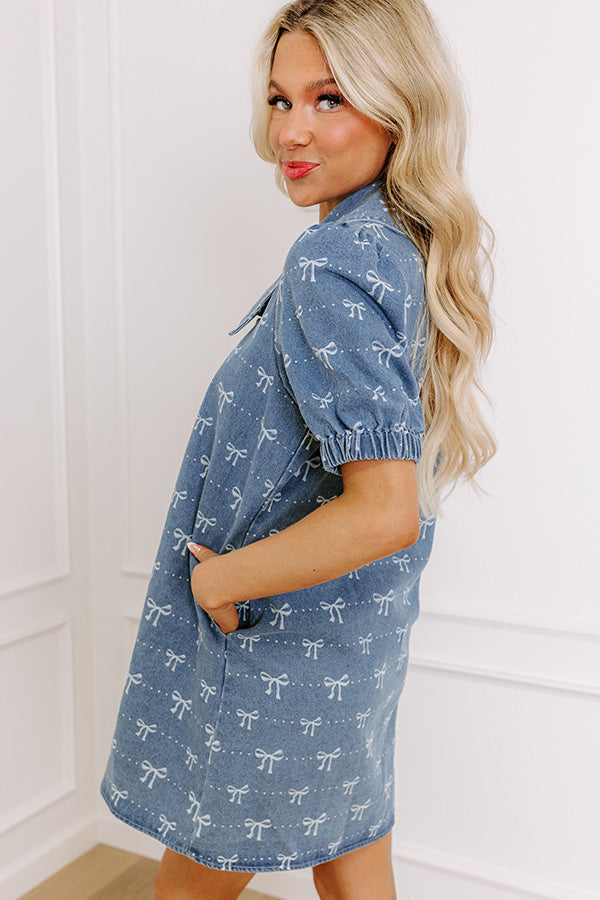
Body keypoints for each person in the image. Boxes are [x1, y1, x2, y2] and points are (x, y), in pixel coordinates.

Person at [101, 1, 495, 898]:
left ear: (398, 105)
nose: (290, 132)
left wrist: (220, 583)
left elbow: (385, 510)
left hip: (279, 647)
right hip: (354, 644)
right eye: (281, 100)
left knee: (189, 888)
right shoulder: (401, 245)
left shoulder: (331, 263)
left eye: (329, 98)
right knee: (355, 861)